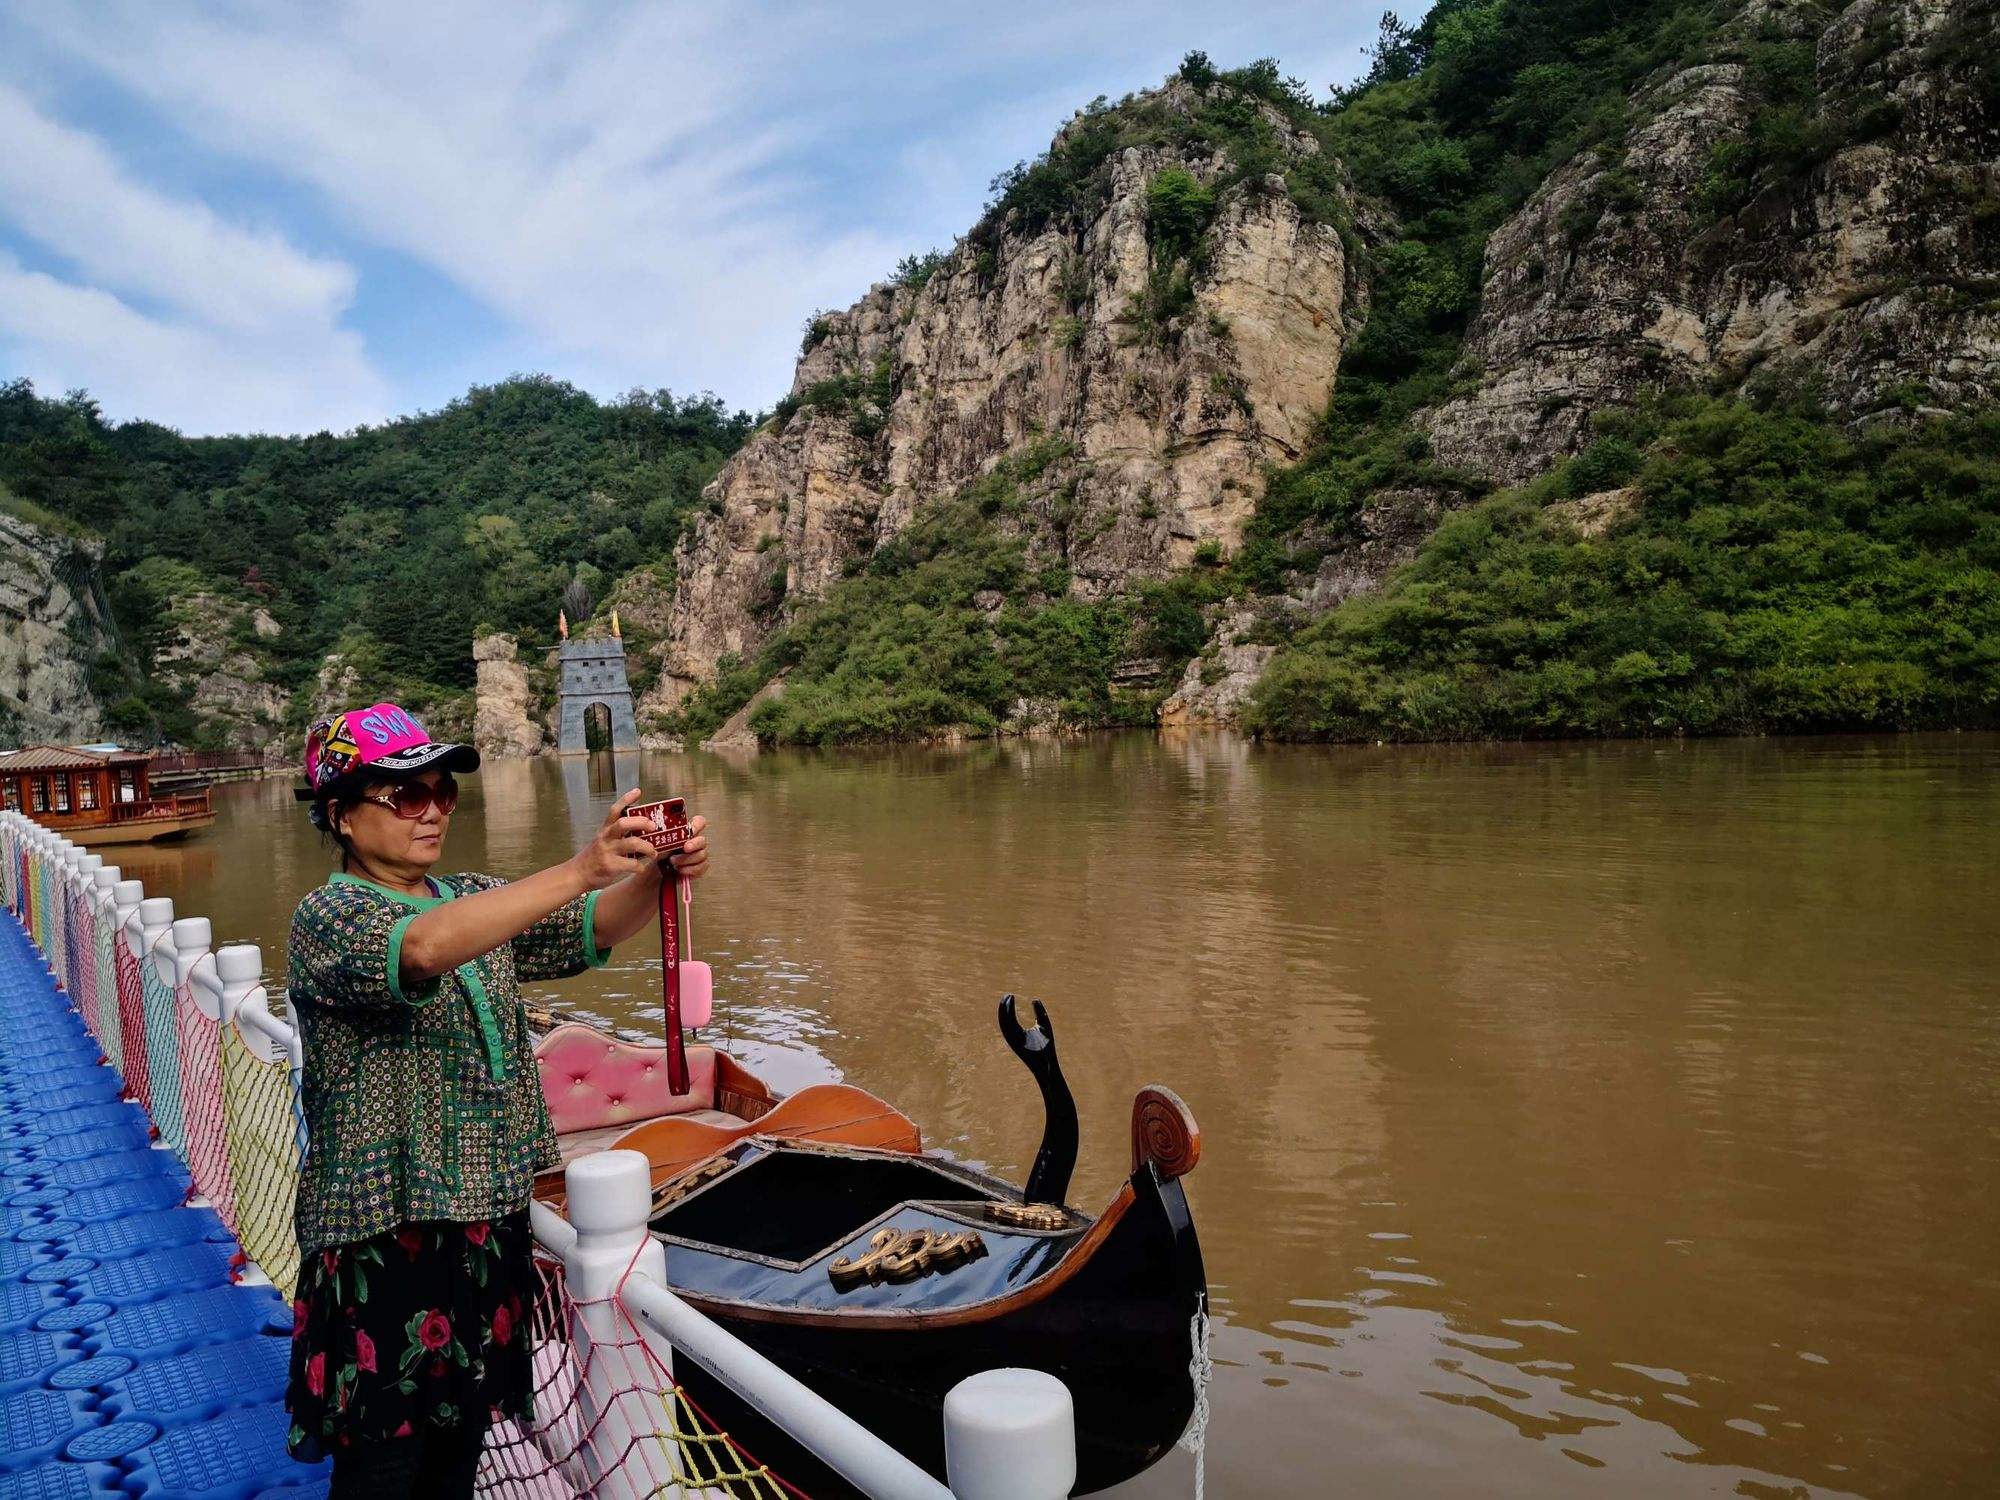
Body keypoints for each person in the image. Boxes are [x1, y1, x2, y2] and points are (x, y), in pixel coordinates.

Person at [282, 701, 709, 1498]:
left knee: (461, 1450)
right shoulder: (329, 916)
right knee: (382, 1465)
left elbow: (588, 929)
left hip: (487, 1224)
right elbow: (423, 948)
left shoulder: (473, 893)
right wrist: (581, 865)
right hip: (386, 1232)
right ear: (339, 815)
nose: (434, 810)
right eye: (406, 795)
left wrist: (651, 875)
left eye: (443, 792)